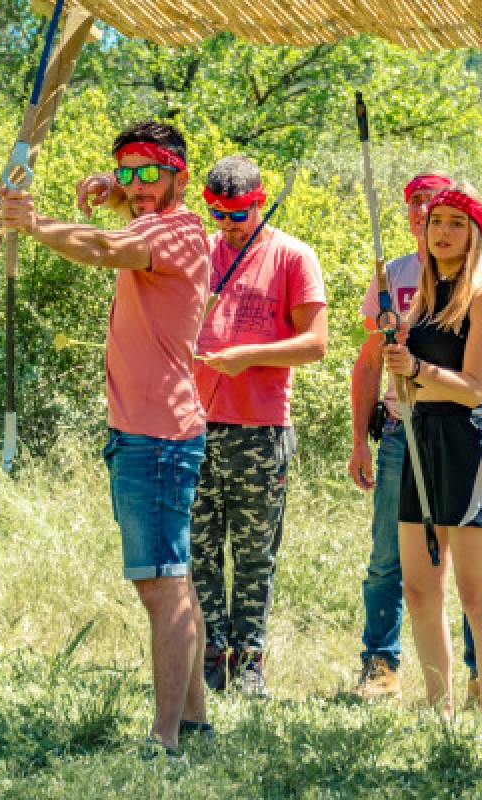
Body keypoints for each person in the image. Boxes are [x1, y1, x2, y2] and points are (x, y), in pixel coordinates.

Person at [2, 120, 212, 751]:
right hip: (149, 434)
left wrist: (34, 224)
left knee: (161, 586)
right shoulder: (153, 215)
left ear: (180, 173)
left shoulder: (176, 229)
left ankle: (165, 739)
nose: (137, 186)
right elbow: (127, 215)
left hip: (158, 437)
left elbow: (104, 247)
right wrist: (115, 186)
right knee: (171, 579)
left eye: (151, 172)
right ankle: (195, 721)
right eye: (127, 172)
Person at [349, 172, 482, 703]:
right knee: (420, 590)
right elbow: (384, 366)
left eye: (455, 224)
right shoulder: (415, 300)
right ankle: (438, 709)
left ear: (474, 234)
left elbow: (474, 388)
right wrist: (396, 357)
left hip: (468, 440)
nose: (441, 232)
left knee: (476, 595)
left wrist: (415, 367)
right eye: (435, 221)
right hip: (416, 437)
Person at [191, 155, 328, 696]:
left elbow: (316, 343)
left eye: (240, 215)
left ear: (260, 201)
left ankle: (249, 662)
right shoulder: (202, 251)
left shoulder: (292, 255)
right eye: (218, 214)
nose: (228, 226)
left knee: (253, 554)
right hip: (196, 426)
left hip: (260, 430)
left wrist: (249, 356)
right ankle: (209, 654)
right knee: (198, 548)